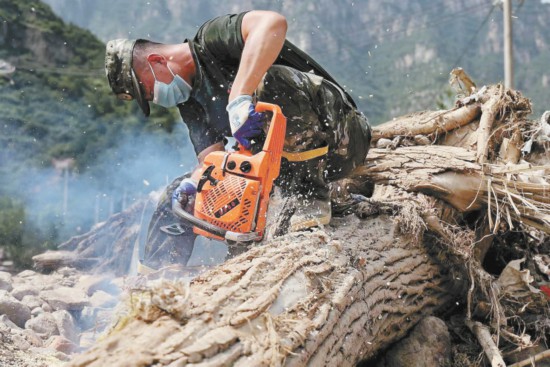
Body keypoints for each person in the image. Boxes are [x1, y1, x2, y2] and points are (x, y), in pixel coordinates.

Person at [105, 10, 371, 271]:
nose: (155, 98)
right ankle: (159, 280)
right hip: (282, 171)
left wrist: (240, 96)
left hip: (340, 138)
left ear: (156, 61)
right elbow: (211, 160)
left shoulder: (211, 41)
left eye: (148, 90)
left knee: (269, 82)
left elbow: (273, 23)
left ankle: (310, 196)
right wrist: (194, 183)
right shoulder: (190, 104)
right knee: (182, 195)